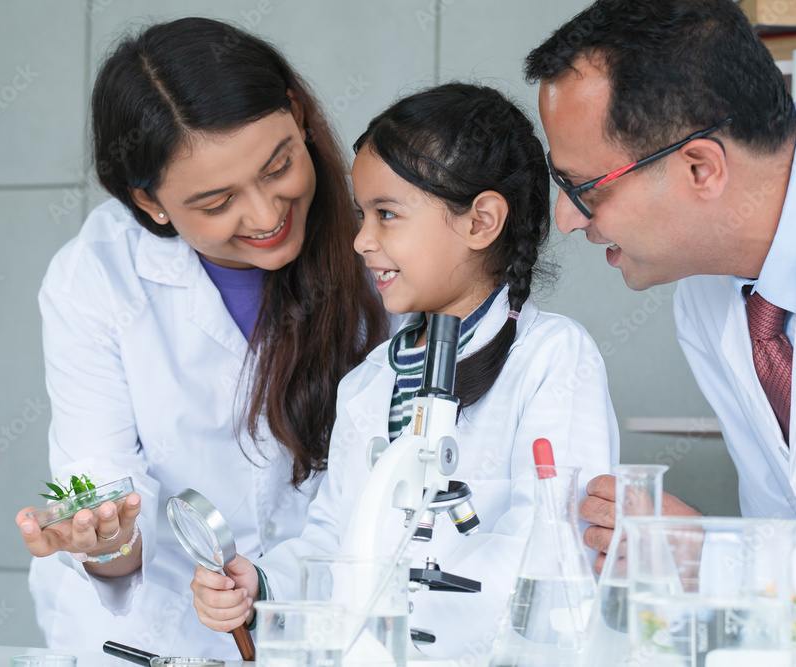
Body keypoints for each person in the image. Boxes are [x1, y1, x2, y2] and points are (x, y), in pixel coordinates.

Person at [190, 82, 620, 657]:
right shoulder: (369, 383)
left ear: (481, 221)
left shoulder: (552, 360)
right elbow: (332, 542)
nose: (362, 240)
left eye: (387, 214)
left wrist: (400, 604)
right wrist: (262, 585)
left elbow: (550, 551)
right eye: (361, 215)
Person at [12, 17, 389, 658]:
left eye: (278, 166)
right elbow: (102, 481)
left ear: (297, 115)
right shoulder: (98, 276)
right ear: (150, 202)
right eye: (217, 204)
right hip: (155, 630)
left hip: (328, 622)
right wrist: (104, 537)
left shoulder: (382, 240)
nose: (268, 215)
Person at [526, 0, 796, 645]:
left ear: (701, 169)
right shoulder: (713, 290)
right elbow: (791, 555)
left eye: (585, 188)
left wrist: (706, 557)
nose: (567, 219)